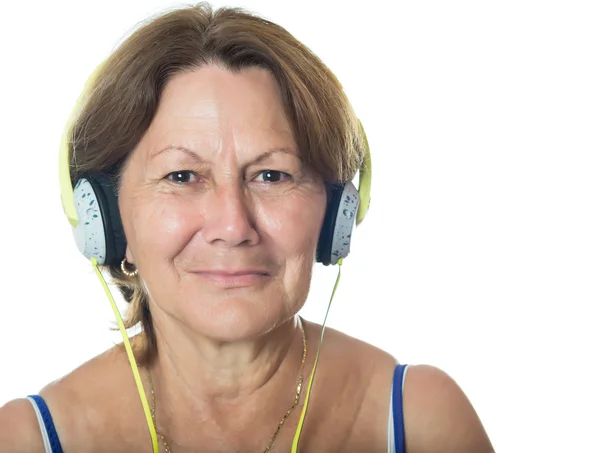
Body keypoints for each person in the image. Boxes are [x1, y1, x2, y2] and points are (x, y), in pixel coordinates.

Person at [0, 3, 494, 452]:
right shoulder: (24, 439)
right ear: (106, 219)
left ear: (335, 216)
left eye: (271, 175)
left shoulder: (425, 421)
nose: (233, 226)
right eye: (182, 176)